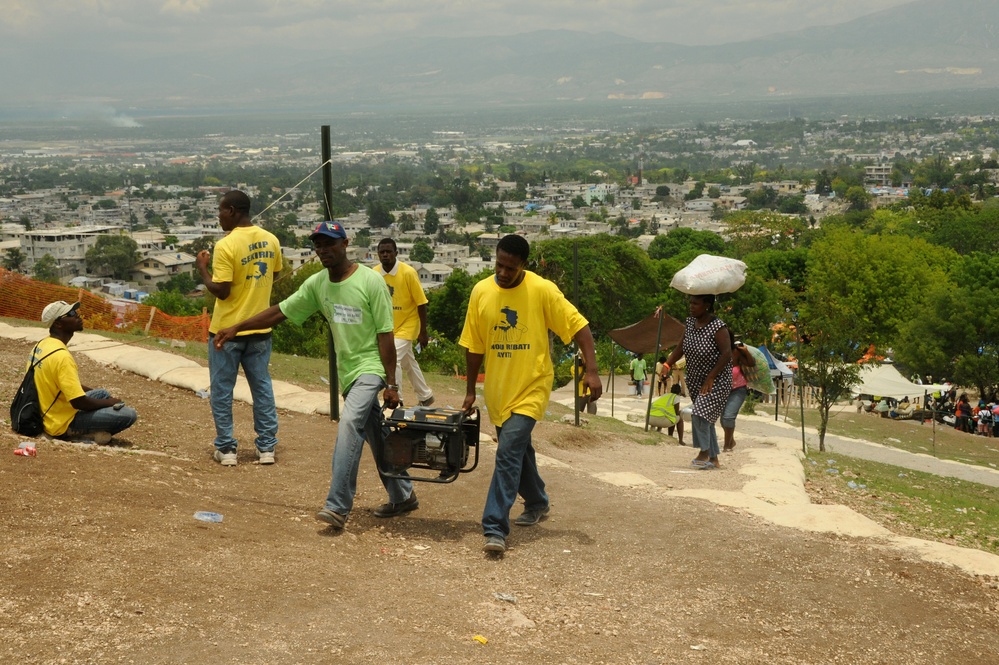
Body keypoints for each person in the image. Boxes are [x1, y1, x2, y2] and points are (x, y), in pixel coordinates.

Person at [213, 221, 416, 530]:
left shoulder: (369, 282)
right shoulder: (318, 284)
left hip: (371, 369)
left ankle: (337, 506)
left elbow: (386, 335)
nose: (323, 250)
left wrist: (391, 383)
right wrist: (237, 327)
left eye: (329, 244)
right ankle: (403, 494)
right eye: (318, 245)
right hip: (349, 373)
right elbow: (280, 311)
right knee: (376, 433)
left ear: (345, 244)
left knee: (349, 425)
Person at [459, 234, 601, 555]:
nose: (503, 273)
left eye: (511, 267)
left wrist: (591, 371)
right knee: (519, 453)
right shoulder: (481, 292)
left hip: (533, 386)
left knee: (508, 451)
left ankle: (494, 526)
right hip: (498, 392)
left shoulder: (541, 290)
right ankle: (537, 501)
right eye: (499, 265)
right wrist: (470, 390)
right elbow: (473, 347)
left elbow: (580, 328)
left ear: (524, 264)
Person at [196, 190, 283, 467]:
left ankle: (227, 449)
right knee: (262, 388)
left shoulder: (226, 244)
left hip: (226, 331)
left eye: (221, 210)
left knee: (222, 390)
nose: (219, 216)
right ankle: (267, 447)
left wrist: (202, 269)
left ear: (232, 210)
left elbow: (221, 291)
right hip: (260, 328)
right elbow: (275, 274)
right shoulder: (271, 239)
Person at [30, 300, 138, 444]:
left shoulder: (41, 345)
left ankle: (89, 427)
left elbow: (66, 385)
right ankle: (78, 434)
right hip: (58, 422)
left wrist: (103, 399)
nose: (78, 316)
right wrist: (110, 403)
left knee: (102, 393)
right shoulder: (62, 356)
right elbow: (80, 403)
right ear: (58, 323)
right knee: (129, 414)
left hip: (46, 410)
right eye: (71, 314)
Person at [663, 294, 732, 470]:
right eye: (691, 303)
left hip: (716, 380)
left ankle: (704, 451)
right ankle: (714, 459)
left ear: (707, 306)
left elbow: (727, 354)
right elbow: (680, 347)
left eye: (696, 304)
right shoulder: (690, 325)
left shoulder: (718, 327)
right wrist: (668, 363)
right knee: (706, 417)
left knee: (699, 413)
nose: (691, 307)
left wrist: (711, 377)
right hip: (695, 379)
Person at [375, 237, 435, 408]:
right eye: (382, 252)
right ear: (378, 254)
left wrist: (423, 332)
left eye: (388, 251)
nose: (385, 255)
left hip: (408, 323)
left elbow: (422, 303)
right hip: (388, 325)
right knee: (408, 361)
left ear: (396, 253)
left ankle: (397, 398)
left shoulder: (408, 273)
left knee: (393, 359)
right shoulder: (374, 273)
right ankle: (425, 395)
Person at [722, 330, 756, 452]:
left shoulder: (736, 352)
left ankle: (726, 446)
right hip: (723, 390)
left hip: (738, 390)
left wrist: (745, 351)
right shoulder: (716, 352)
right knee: (723, 420)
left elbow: (751, 363)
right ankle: (731, 441)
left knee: (728, 417)